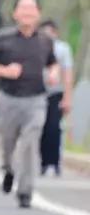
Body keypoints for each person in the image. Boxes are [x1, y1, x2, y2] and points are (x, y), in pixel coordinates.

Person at [0, 0, 58, 207]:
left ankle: (25, 191)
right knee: (8, 145)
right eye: (23, 8)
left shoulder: (46, 40)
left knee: (30, 144)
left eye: (31, 9)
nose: (27, 13)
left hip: (36, 100)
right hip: (8, 99)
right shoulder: (2, 38)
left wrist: (53, 74)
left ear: (38, 13)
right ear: (15, 13)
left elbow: (53, 63)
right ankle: (8, 169)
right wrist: (4, 71)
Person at [39, 19, 75, 176]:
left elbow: (67, 73)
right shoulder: (36, 46)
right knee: (41, 128)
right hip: (37, 93)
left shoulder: (63, 49)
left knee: (54, 128)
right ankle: (43, 162)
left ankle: (54, 162)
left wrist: (67, 97)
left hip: (55, 94)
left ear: (55, 33)